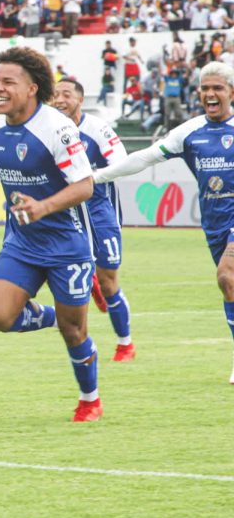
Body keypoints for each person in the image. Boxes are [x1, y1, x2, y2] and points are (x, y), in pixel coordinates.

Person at [95, 61, 234, 384]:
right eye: (206, 88)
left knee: (227, 277)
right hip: (215, 223)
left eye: (218, 88)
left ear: (231, 93)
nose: (210, 94)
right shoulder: (189, 132)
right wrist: (98, 177)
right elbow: (143, 157)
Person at [0, 47, 102, 422]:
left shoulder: (56, 127)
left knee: (74, 332)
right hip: (23, 242)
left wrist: (42, 207)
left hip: (68, 242)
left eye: (8, 82)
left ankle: (89, 399)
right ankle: (50, 315)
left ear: (32, 87)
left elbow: (85, 186)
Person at [54, 78, 135, 362]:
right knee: (66, 275)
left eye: (66, 94)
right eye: (55, 95)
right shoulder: (52, 129)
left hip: (100, 213)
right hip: (69, 215)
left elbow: (121, 162)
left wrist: (89, 179)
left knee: (110, 281)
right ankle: (89, 282)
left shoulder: (96, 128)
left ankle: (125, 343)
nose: (60, 99)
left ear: (79, 99)